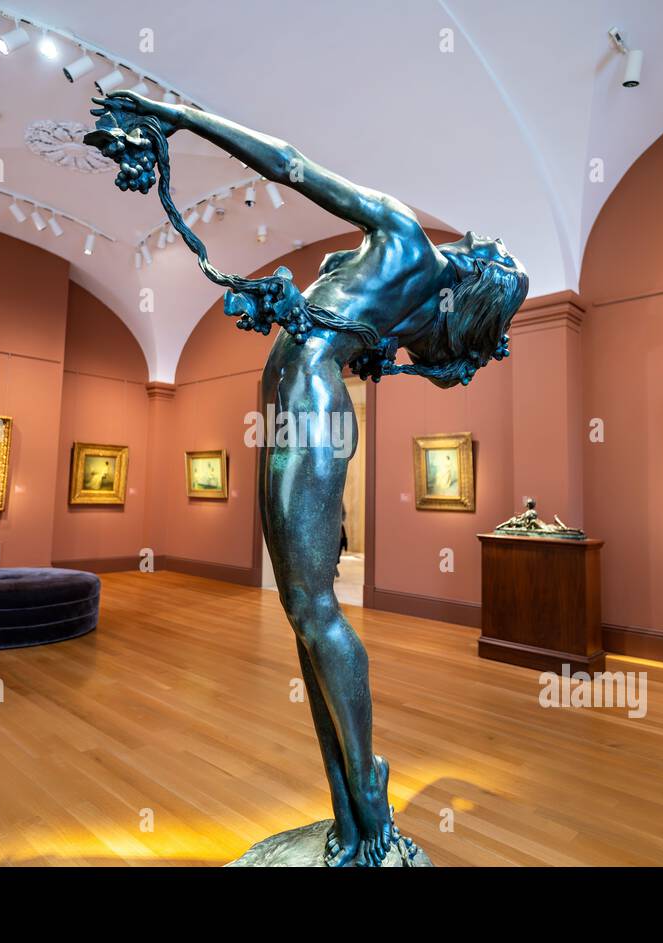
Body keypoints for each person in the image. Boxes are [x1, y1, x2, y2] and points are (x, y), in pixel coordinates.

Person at [91, 91, 528, 866]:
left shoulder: (402, 238)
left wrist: (183, 116)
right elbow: (361, 332)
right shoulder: (397, 286)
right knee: (305, 609)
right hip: (300, 396)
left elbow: (290, 164)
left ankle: (366, 794)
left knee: (310, 607)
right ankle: (355, 812)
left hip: (309, 402)